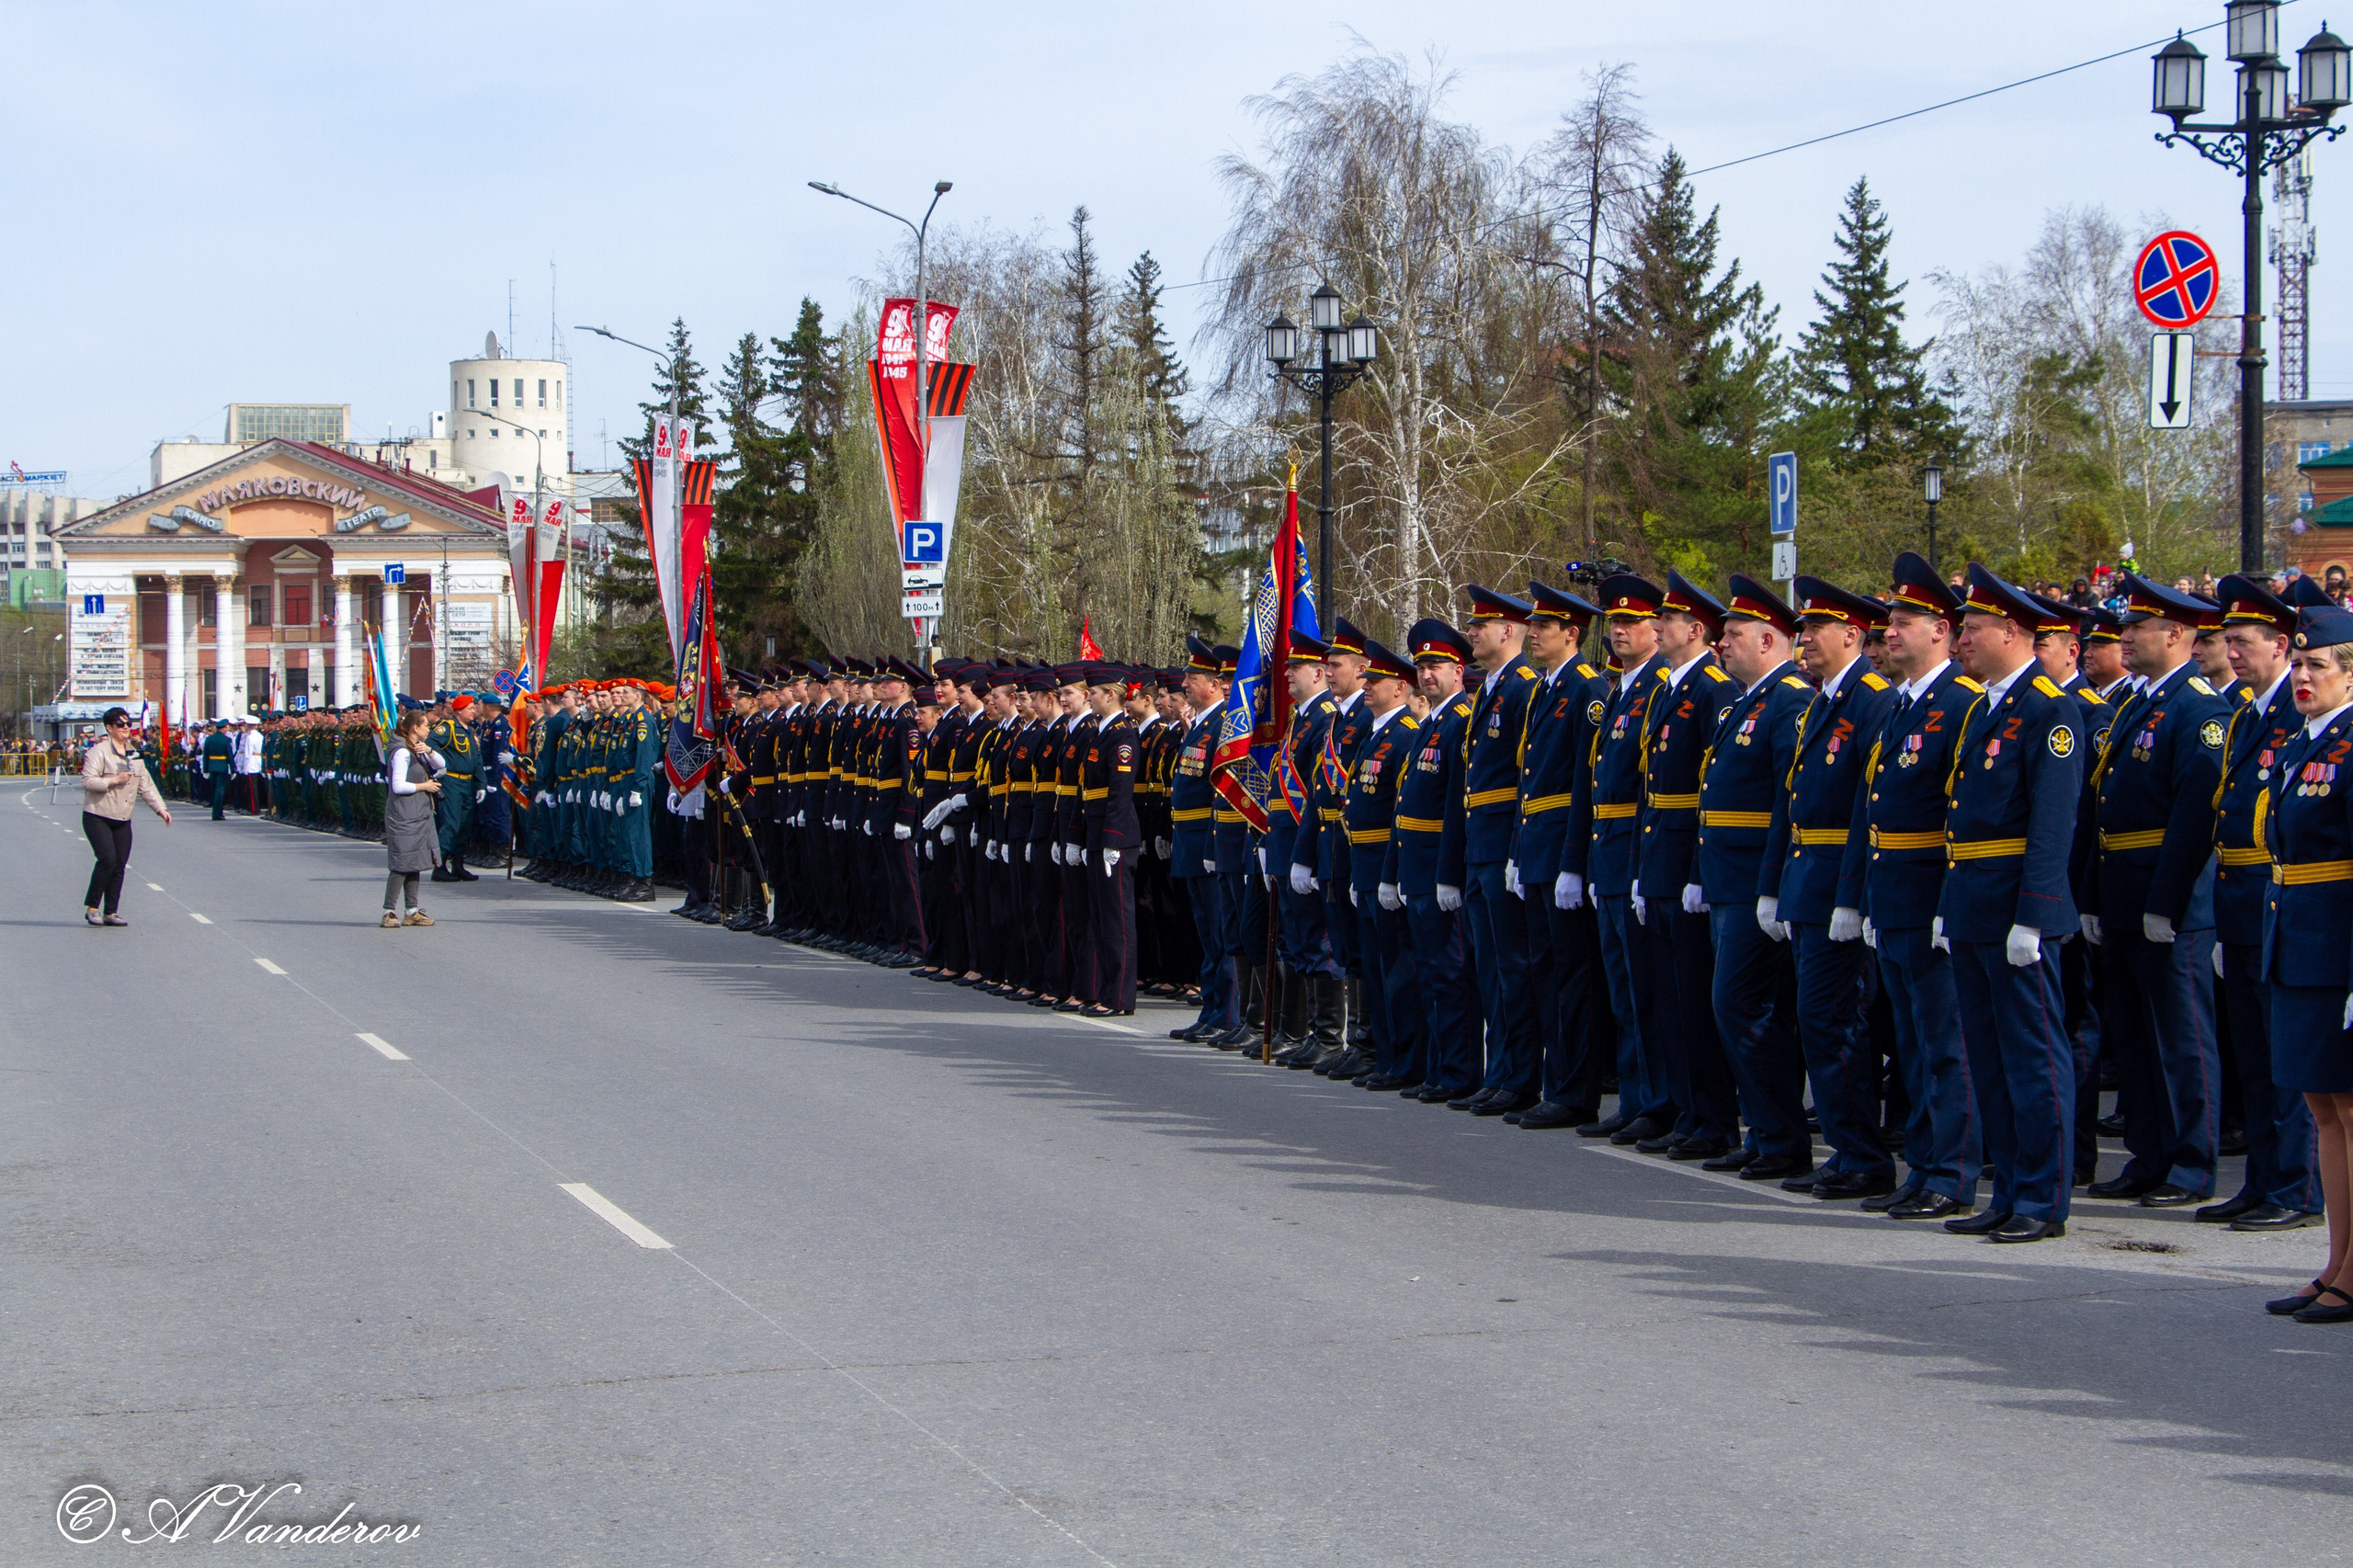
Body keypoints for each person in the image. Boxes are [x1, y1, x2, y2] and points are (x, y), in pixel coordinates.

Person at [2260, 604, 2353, 1322]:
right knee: (2323, 1109)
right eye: (2296, 664)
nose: (2302, 676)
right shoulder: (2300, 744)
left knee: (2351, 1108)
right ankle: (2335, 1262)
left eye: (2316, 665)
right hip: (2299, 940)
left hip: (2338, 948)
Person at [80, 706, 170, 925]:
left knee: (120, 865)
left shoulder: (134, 753)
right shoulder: (99, 752)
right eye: (120, 725)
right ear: (109, 728)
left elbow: (145, 784)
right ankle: (93, 908)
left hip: (122, 818)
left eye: (128, 724)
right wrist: (113, 780)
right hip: (98, 815)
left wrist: (160, 808)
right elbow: (88, 781)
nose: (125, 728)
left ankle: (110, 912)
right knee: (107, 860)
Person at [383, 710, 445, 927]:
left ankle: (411, 910)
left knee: (414, 862)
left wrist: (429, 751)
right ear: (415, 728)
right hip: (403, 815)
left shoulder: (417, 748)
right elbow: (398, 786)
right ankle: (389, 912)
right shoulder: (402, 751)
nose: (429, 729)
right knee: (401, 864)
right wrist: (424, 786)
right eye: (426, 725)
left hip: (417, 813)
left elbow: (441, 765)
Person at [201, 721, 234, 820]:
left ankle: (218, 812)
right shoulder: (226, 740)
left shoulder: (209, 739)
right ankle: (217, 813)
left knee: (214, 789)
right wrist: (233, 769)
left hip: (212, 766)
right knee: (220, 791)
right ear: (224, 729)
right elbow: (229, 756)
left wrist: (205, 769)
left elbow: (205, 755)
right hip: (222, 766)